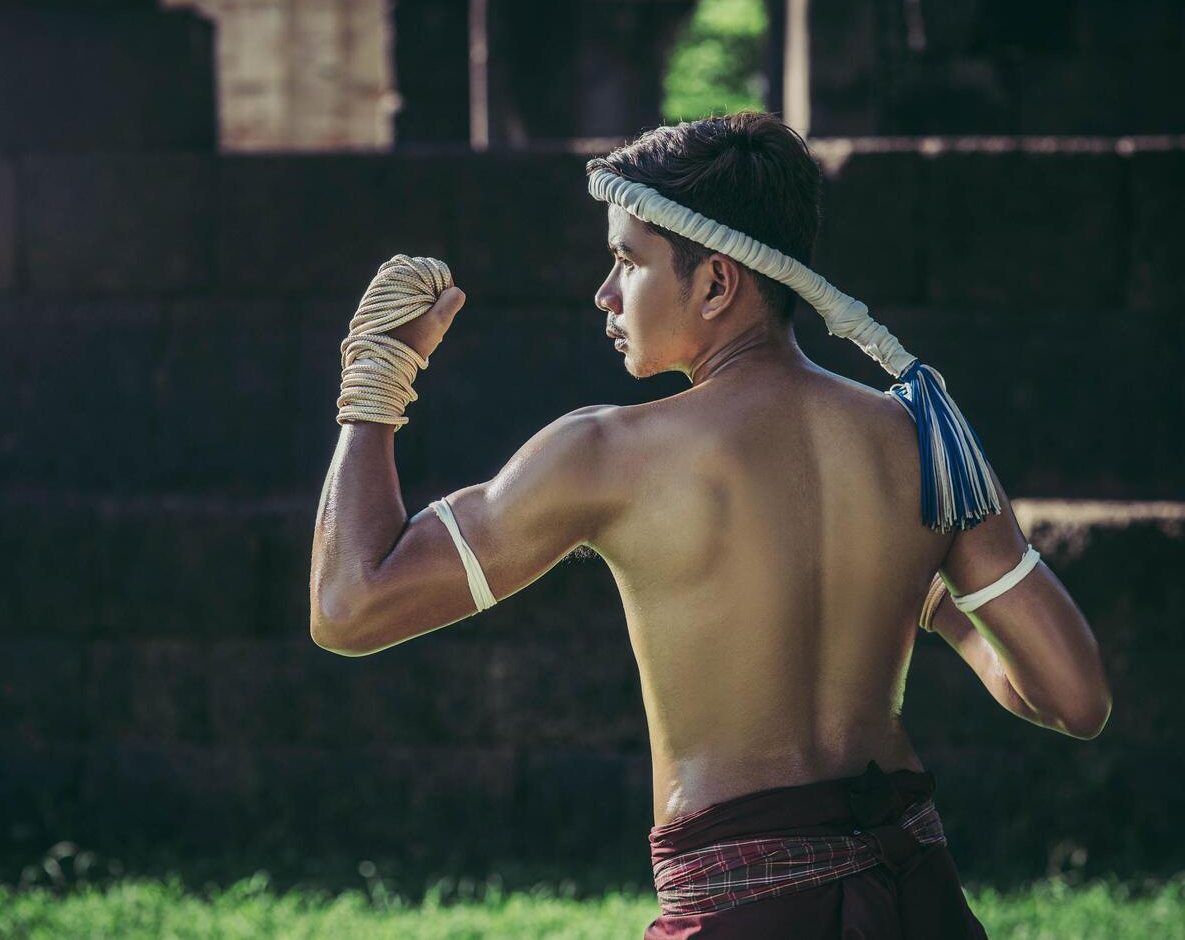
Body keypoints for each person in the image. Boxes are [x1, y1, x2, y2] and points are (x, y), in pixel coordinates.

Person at [308, 110, 1112, 938]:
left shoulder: (603, 453)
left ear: (717, 282)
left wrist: (376, 379)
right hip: (920, 902)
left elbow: (350, 605)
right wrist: (921, 592)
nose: (605, 292)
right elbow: (1072, 699)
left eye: (626, 260)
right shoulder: (921, 438)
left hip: (745, 913)